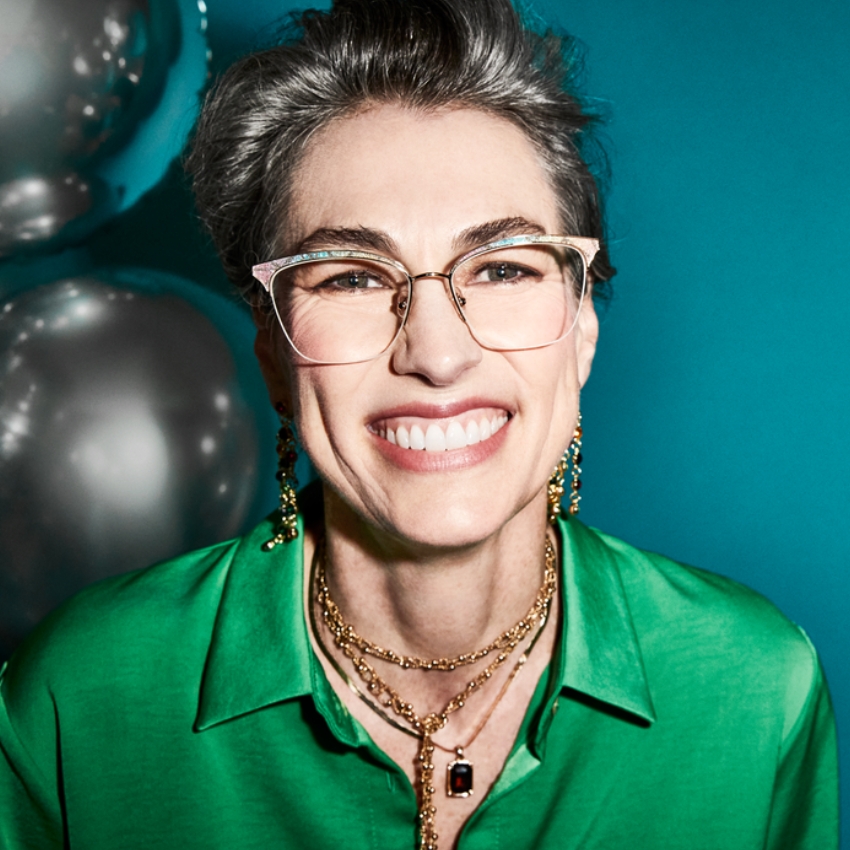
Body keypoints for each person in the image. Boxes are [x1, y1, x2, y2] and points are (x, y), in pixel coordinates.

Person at [0, 0, 838, 847]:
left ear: (581, 327)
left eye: (503, 268)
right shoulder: (79, 699)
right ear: (273, 353)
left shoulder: (757, 689)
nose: (437, 354)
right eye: (352, 277)